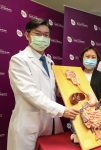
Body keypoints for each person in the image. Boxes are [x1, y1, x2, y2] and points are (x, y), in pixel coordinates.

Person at [7, 18, 79, 150]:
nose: (42, 38)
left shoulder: (50, 62)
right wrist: (62, 110)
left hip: (50, 122)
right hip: (29, 123)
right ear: (27, 35)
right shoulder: (19, 60)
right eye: (37, 34)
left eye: (46, 35)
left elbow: (54, 90)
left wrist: (75, 90)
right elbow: (30, 92)